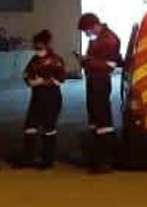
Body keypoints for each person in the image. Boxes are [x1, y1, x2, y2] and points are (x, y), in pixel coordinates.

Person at [76, 13, 122, 174]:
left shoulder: (108, 39)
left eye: (86, 31)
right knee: (96, 120)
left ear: (93, 25)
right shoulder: (100, 38)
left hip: (100, 82)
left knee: (103, 120)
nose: (86, 34)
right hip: (94, 81)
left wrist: (87, 61)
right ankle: (97, 158)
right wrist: (86, 61)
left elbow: (109, 65)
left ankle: (105, 160)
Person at [15, 30, 66, 170]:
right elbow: (26, 74)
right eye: (35, 46)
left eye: (40, 46)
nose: (37, 49)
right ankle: (27, 159)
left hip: (52, 98)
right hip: (36, 98)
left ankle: (48, 161)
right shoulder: (34, 60)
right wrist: (31, 82)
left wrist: (44, 81)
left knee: (48, 128)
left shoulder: (56, 60)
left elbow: (61, 79)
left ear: (47, 45)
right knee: (30, 127)